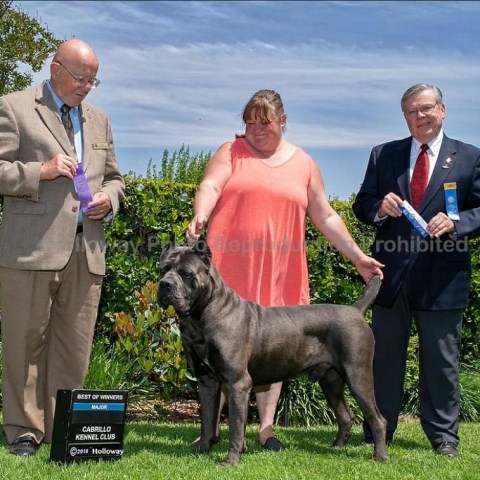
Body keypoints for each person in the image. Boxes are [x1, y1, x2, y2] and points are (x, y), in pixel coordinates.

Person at [187, 89, 384, 451]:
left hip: (280, 267)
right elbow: (210, 184)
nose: (256, 130)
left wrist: (357, 257)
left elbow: (325, 215)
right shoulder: (231, 152)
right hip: (231, 268)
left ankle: (265, 428)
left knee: (274, 348)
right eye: (249, 122)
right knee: (220, 349)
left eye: (265, 123)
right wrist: (201, 212)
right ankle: (213, 431)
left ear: (283, 121)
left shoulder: (304, 163)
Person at [0, 39, 125, 457]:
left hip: (86, 250)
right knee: (24, 343)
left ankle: (62, 430)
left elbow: (114, 177)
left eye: (93, 80)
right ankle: (23, 431)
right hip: (30, 250)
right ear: (56, 70)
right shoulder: (14, 107)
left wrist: (111, 198)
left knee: (74, 345)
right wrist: (41, 171)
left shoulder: (100, 121)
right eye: (81, 78)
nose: (87, 87)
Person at [353, 83, 480, 458]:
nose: (419, 116)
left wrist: (457, 222)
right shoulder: (383, 155)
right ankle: (379, 429)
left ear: (442, 110)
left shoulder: (470, 157)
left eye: (426, 109)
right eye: (411, 111)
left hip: (444, 278)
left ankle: (444, 437)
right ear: (404, 116)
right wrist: (379, 207)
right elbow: (362, 205)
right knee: (383, 358)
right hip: (390, 277)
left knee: (442, 361)